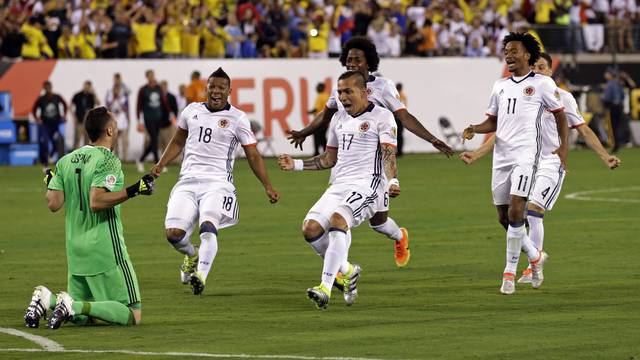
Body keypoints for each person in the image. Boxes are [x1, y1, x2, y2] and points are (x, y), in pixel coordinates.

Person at [460, 52, 621, 284]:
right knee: (510, 216)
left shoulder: (563, 98)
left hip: (551, 161)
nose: (539, 71)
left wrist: (605, 156)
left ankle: (531, 268)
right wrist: (476, 154)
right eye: (535, 67)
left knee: (534, 210)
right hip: (525, 160)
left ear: (551, 70)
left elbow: (583, 129)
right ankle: (536, 257)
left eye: (543, 67)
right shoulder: (525, 97)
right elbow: (503, 135)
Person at [288, 36, 449, 268]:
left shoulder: (383, 86)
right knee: (342, 219)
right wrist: (305, 131)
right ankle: (341, 271)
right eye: (349, 60)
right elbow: (326, 116)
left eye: (358, 60)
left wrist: (432, 139)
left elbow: (403, 116)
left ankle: (399, 237)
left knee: (379, 223)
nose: (352, 63)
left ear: (370, 62)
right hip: (350, 165)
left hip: (378, 165)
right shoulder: (342, 87)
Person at [278, 71, 402, 309]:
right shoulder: (338, 119)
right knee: (310, 229)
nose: (343, 97)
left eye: (348, 91)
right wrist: (296, 164)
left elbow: (388, 154)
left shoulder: (382, 117)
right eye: (340, 92)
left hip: (369, 184)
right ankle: (347, 270)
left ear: (364, 92)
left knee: (338, 220)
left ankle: (325, 287)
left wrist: (392, 181)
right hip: (339, 184)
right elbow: (329, 159)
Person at [24, 106, 155, 330]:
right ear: (110, 131)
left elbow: (53, 203)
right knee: (132, 313)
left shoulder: (66, 160)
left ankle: (48, 299)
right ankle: (70, 306)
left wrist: (52, 182)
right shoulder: (108, 160)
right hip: (103, 249)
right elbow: (96, 202)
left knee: (85, 317)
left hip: (75, 250)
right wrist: (135, 190)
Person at [150, 68, 279, 295]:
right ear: (206, 88)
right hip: (188, 181)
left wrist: (267, 186)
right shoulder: (191, 111)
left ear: (229, 91)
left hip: (218, 184)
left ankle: (201, 275)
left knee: (208, 227)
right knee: (173, 234)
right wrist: (161, 163)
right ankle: (192, 255)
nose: (216, 91)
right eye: (212, 86)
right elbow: (178, 140)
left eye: (221, 88)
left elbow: (253, 154)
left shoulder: (238, 118)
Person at [461, 33, 569, 295]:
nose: (508, 55)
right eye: (506, 51)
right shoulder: (500, 86)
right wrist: (475, 128)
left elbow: (560, 116)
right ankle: (534, 255)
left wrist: (563, 148)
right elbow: (494, 122)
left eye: (513, 50)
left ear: (527, 55)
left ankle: (508, 274)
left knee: (516, 210)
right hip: (502, 156)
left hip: (525, 155)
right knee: (503, 216)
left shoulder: (542, 84)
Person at [32, 80, 67, 168]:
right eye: (46, 87)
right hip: (45, 125)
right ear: (44, 88)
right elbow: (34, 109)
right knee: (44, 141)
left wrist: (64, 115)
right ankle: (44, 162)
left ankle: (53, 156)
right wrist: (37, 119)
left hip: (56, 124)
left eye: (49, 87)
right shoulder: (41, 99)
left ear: (51, 87)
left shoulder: (57, 97)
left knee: (57, 141)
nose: (48, 89)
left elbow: (65, 105)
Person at [136, 70, 163, 172]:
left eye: (153, 75)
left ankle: (141, 160)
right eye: (150, 76)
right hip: (148, 118)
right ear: (147, 77)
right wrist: (138, 119)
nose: (152, 77)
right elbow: (138, 105)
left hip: (158, 117)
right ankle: (157, 163)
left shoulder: (158, 88)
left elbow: (163, 101)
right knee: (154, 139)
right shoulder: (143, 90)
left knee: (154, 141)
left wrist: (170, 114)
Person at [105, 81, 130, 161]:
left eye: (118, 89)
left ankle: (125, 158)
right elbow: (108, 107)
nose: (116, 91)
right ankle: (115, 157)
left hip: (122, 120)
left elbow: (126, 108)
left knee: (124, 141)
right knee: (114, 141)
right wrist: (113, 99)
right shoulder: (110, 96)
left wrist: (119, 100)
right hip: (114, 120)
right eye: (115, 89)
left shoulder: (123, 97)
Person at [71, 80, 99, 149]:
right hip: (79, 120)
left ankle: (86, 157)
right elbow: (70, 106)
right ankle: (75, 156)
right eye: (86, 86)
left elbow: (98, 103)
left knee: (87, 141)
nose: (87, 87)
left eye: (89, 86)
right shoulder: (78, 95)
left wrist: (94, 93)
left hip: (88, 122)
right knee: (77, 139)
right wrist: (74, 117)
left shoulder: (91, 96)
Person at [309, 82, 330, 156]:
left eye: (317, 87)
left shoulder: (320, 96)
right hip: (327, 121)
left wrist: (310, 112)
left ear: (320, 88)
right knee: (323, 137)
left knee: (317, 136)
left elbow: (316, 109)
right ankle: (326, 152)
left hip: (319, 121)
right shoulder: (327, 95)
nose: (316, 88)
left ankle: (316, 152)